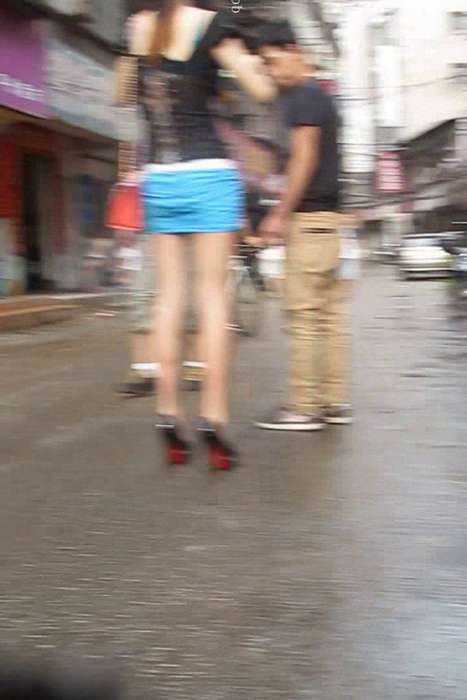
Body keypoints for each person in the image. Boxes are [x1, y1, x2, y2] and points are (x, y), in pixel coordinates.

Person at [120, 0, 275, 467]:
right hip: (208, 173)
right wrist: (253, 59)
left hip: (159, 176)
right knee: (212, 298)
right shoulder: (213, 25)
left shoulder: (137, 27)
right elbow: (262, 90)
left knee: (168, 298)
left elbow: (122, 93)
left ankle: (168, 414)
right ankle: (214, 418)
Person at [254, 20, 353, 431]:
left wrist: (279, 213)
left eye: (272, 61)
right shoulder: (319, 95)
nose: (271, 72)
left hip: (309, 221)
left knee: (303, 316)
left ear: (294, 49)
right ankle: (332, 402)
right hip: (326, 222)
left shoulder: (305, 97)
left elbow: (304, 158)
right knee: (327, 317)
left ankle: (304, 407)